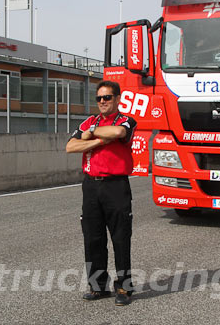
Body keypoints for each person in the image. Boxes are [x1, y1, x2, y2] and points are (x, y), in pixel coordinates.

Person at [66, 80, 137, 306]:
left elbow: (118, 131)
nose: (103, 102)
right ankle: (98, 287)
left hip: (115, 185)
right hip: (91, 186)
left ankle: (124, 288)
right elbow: (70, 146)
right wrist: (99, 140)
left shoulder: (125, 119)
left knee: (120, 237)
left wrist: (89, 135)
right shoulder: (90, 120)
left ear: (117, 99)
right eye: (99, 98)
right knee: (93, 238)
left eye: (107, 98)